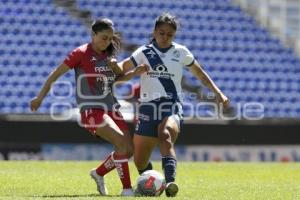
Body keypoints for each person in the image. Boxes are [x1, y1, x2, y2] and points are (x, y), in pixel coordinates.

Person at [116, 13, 230, 197]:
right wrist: (112, 66)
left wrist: (219, 93)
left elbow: (200, 74)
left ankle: (170, 183)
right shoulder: (144, 52)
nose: (165, 37)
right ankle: (151, 184)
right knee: (139, 161)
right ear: (154, 32)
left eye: (170, 34)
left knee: (165, 133)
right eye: (161, 33)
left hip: (171, 105)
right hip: (147, 108)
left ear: (174, 36)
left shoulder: (181, 52)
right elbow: (122, 68)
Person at [29, 18, 142, 196]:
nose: (107, 42)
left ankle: (98, 173)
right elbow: (55, 74)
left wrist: (133, 73)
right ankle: (127, 190)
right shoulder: (80, 53)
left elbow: (114, 80)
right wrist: (40, 97)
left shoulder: (108, 56)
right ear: (93, 34)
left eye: (110, 38)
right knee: (120, 143)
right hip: (92, 110)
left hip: (112, 108)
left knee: (128, 150)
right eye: (104, 37)